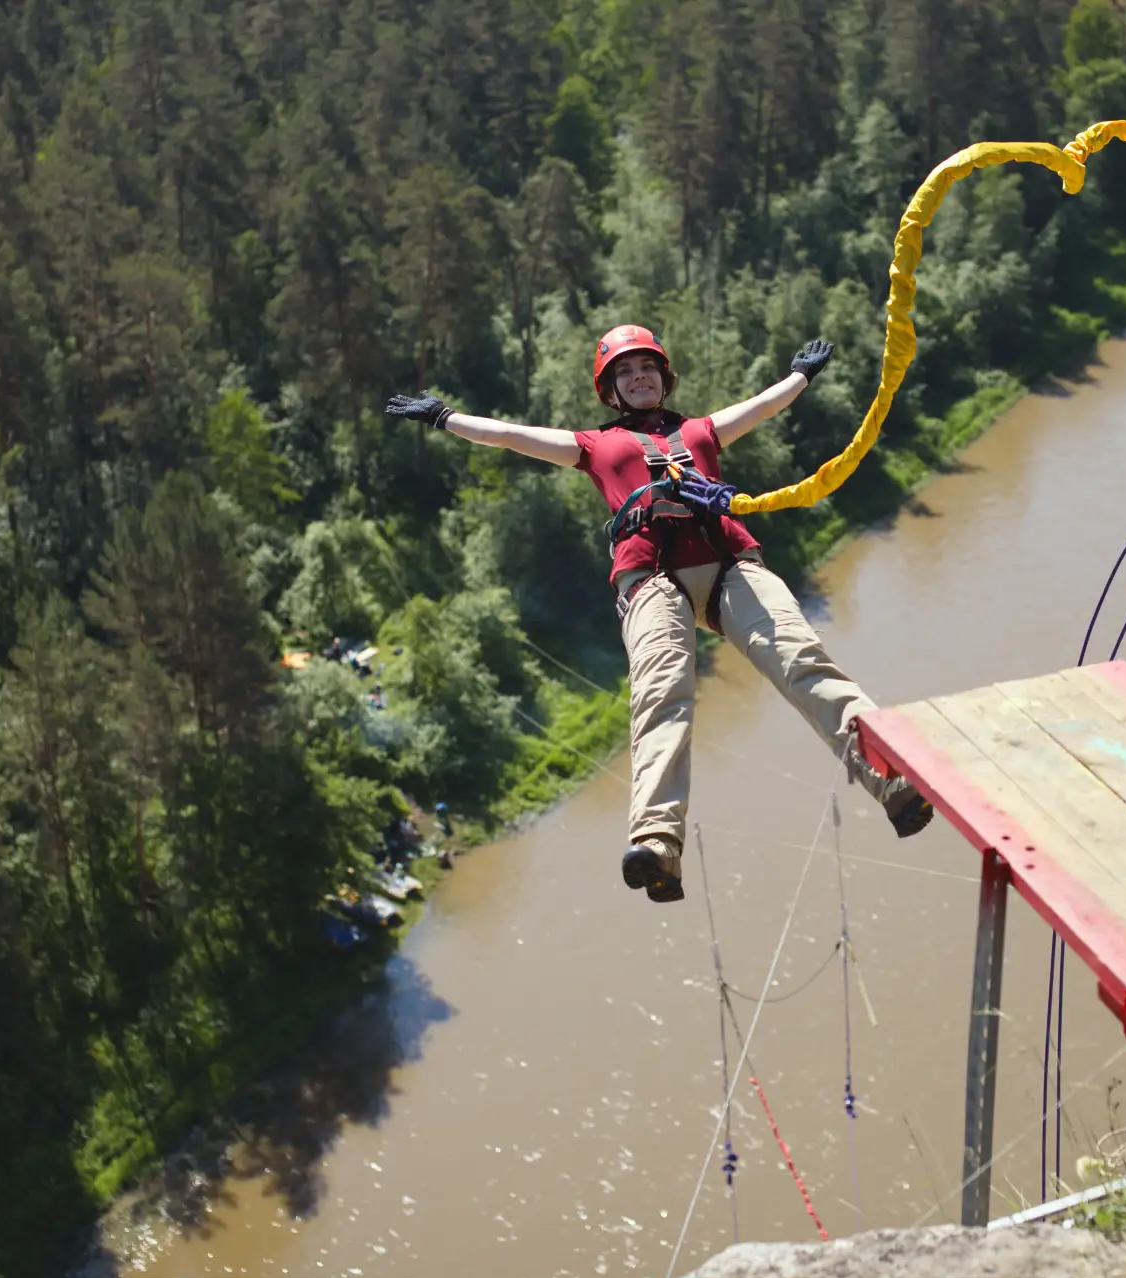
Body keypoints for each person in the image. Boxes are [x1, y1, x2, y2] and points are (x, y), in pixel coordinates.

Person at [385, 325, 933, 904]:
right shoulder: (593, 445)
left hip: (729, 567)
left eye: (646, 367)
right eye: (624, 372)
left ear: (663, 377)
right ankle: (657, 844)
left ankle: (893, 779)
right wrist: (445, 417)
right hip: (651, 580)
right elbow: (511, 436)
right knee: (662, 694)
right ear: (610, 390)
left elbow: (761, 407)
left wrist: (801, 376)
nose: (638, 376)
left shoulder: (700, 430)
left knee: (801, 659)